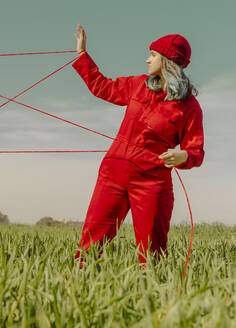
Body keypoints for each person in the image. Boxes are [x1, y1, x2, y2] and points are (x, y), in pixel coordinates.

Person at [72, 24, 204, 263]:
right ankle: (75, 290)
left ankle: (153, 295)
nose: (147, 59)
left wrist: (184, 156)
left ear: (167, 61)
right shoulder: (137, 84)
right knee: (90, 246)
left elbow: (196, 151)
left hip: (153, 182)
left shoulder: (188, 106)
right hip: (113, 175)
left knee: (152, 254)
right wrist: (83, 55)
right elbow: (102, 86)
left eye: (153, 54)